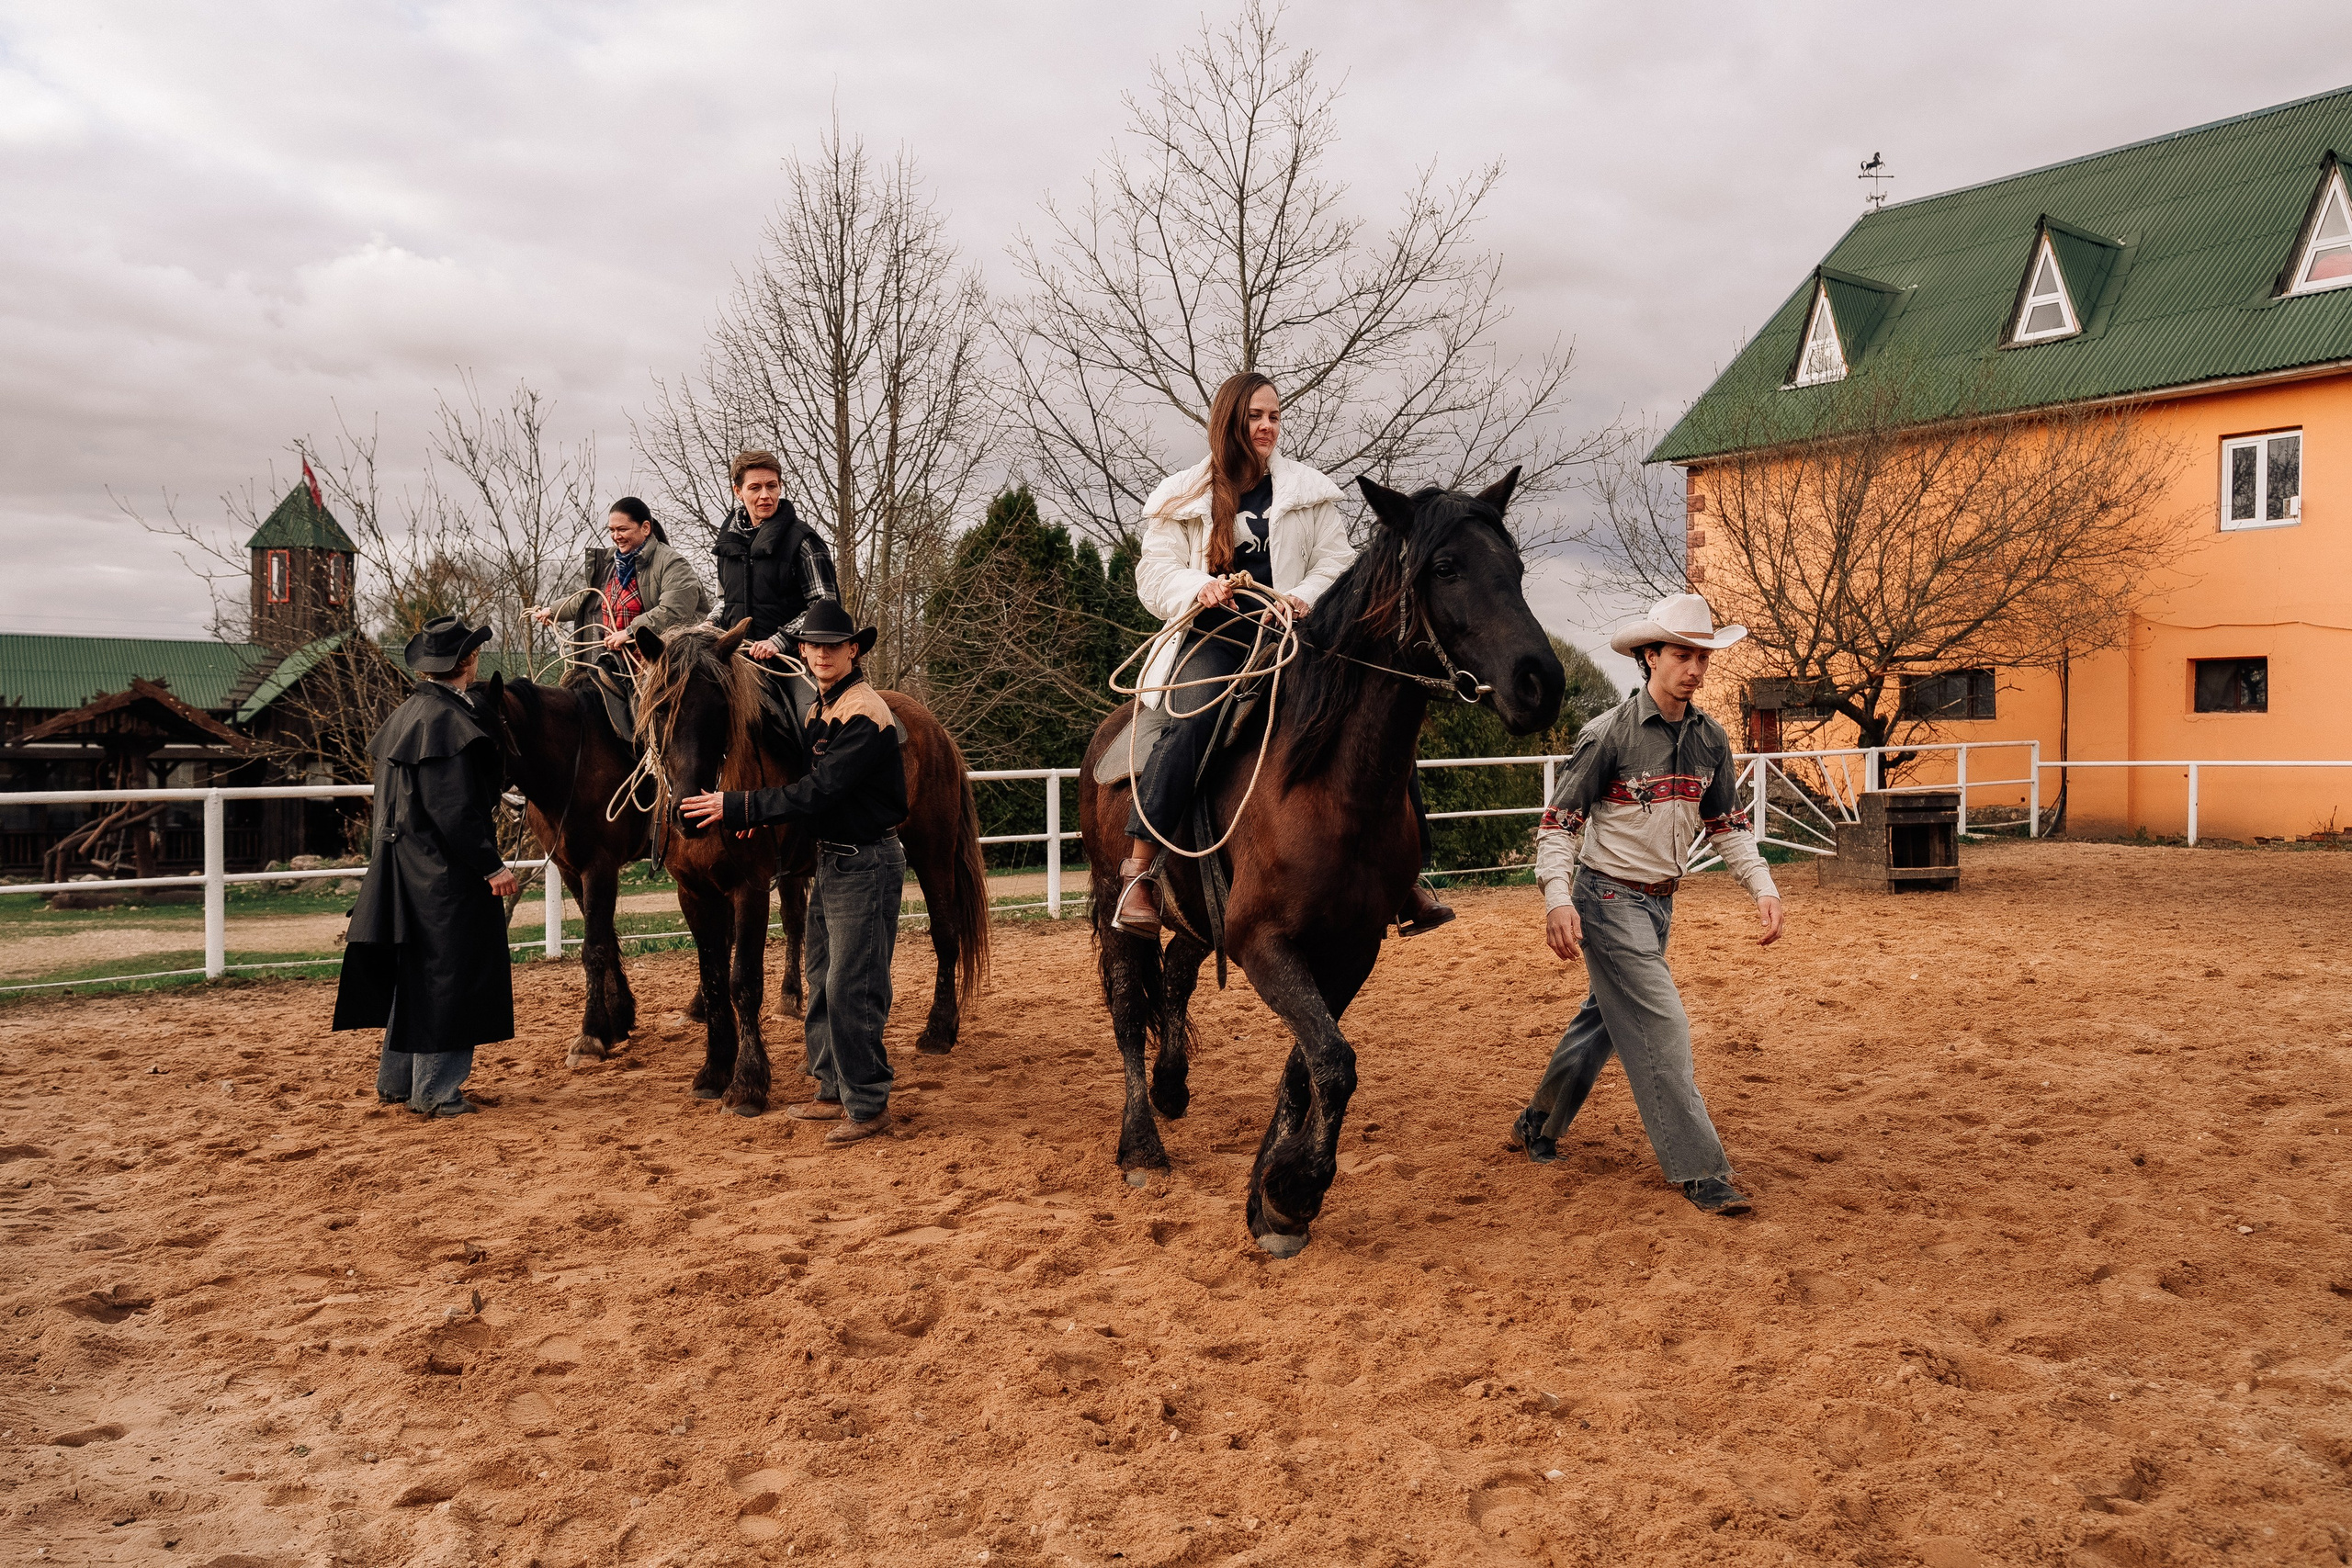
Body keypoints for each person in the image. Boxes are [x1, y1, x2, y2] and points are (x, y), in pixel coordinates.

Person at [1114, 372, 1453, 938]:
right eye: (1256, 417)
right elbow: (1154, 572)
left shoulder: (1310, 492)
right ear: (1230, 423)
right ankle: (1140, 875)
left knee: (1375, 717)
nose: (1268, 426)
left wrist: (1300, 599)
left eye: (1275, 416)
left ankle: (1408, 877)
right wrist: (1199, 587)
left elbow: (1339, 564)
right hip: (1216, 639)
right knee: (1189, 724)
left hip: (1298, 640)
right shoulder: (1181, 497)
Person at [1504, 592, 1787, 1216]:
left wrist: (1762, 886)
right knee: (1662, 1025)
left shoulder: (1711, 740)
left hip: (1660, 905)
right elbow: (1559, 824)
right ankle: (1701, 1170)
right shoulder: (1606, 734)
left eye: (1703, 656)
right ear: (1649, 655)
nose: (1696, 668)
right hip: (1605, 900)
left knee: (1603, 1019)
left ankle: (1538, 1122)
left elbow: (1728, 825)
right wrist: (1557, 898)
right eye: (1683, 654)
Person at [678, 602, 906, 1145]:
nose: (822, 653)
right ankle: (831, 1090)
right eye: (814, 645)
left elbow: (821, 789)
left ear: (854, 650)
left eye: (834, 645)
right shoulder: (820, 710)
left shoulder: (864, 714)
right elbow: (809, 791)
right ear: (801, 651)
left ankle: (869, 1103)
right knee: (823, 976)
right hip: (834, 857)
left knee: (854, 984)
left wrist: (742, 809)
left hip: (866, 861)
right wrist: (768, 819)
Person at [333, 615, 519, 1116]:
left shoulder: (408, 713)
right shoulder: (449, 723)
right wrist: (492, 866)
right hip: (442, 874)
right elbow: (453, 810)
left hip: (401, 866)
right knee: (450, 974)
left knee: (414, 971)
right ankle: (435, 1092)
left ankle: (397, 1081)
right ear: (468, 662)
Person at [711, 451, 840, 738]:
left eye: (772, 486)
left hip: (793, 664)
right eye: (755, 488)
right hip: (738, 659)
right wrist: (709, 626)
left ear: (781, 487)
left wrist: (779, 641)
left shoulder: (803, 541)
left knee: (815, 725)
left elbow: (825, 606)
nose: (765, 495)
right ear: (738, 491)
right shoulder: (726, 546)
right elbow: (724, 602)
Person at [528, 496, 710, 660]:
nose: (616, 537)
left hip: (663, 663)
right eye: (612, 530)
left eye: (622, 529)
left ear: (645, 528)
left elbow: (674, 611)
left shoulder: (673, 564)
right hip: (616, 659)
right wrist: (553, 611)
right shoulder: (609, 564)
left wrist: (631, 633)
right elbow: (588, 599)